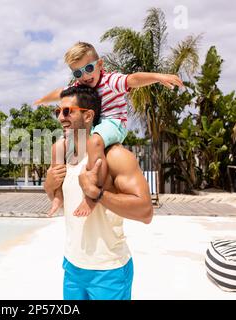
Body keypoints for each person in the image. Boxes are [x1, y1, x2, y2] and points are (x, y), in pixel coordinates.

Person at [37, 42, 183, 217]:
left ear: (100, 64)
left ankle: (91, 195)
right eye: (77, 72)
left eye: (89, 68)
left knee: (95, 141)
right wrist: (41, 100)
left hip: (114, 123)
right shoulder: (79, 87)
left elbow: (133, 79)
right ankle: (57, 197)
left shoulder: (110, 81)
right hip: (96, 126)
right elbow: (60, 93)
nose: (84, 75)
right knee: (57, 147)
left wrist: (158, 77)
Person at [43, 85, 153, 300]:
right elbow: (66, 203)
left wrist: (98, 194)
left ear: (88, 115)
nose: (60, 118)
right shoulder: (64, 153)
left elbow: (145, 212)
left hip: (108, 271)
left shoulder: (116, 156)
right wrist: (49, 187)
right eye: (58, 112)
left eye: (67, 111)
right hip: (73, 266)